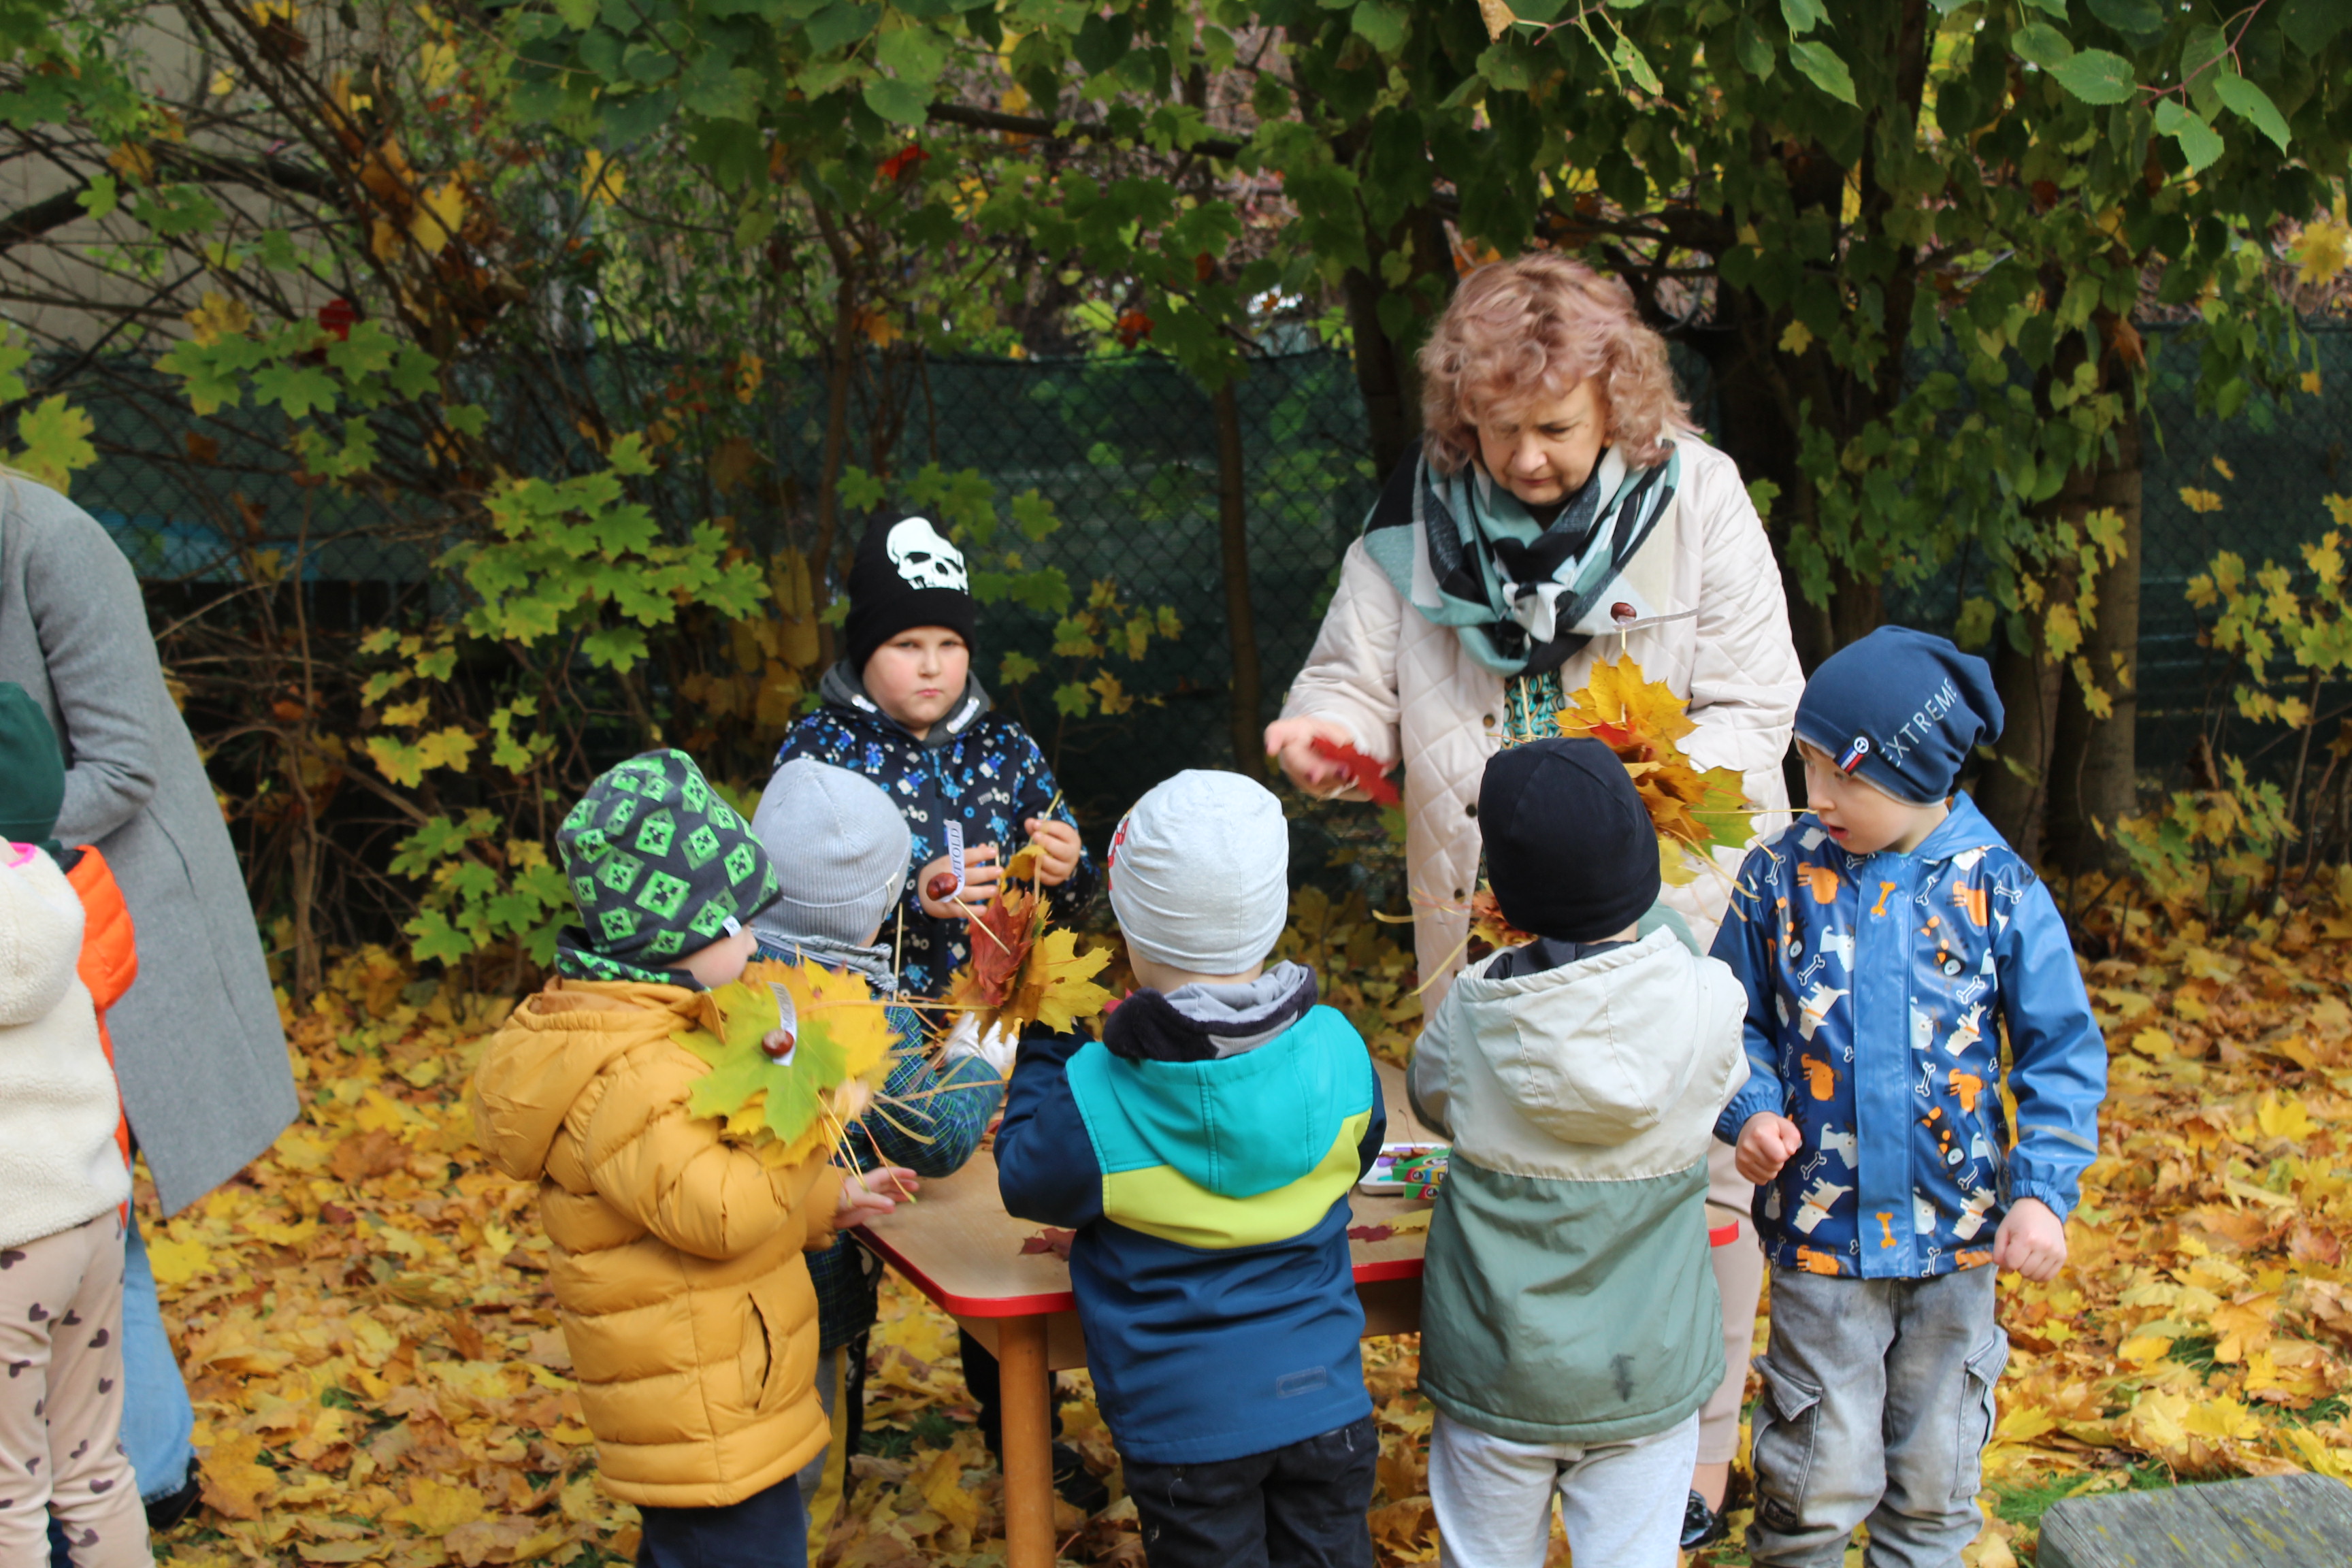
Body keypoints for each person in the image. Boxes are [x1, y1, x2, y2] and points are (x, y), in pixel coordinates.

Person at [1262, 253, 1802, 1545]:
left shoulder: (1700, 498)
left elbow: (1758, 703)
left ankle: (1689, 1466)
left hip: (1672, 915)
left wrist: (1624, 815)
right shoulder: (1417, 515)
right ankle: (1517, 1425)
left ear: (1619, 402)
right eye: (1498, 429)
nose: (1525, 458)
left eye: (1554, 428)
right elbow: (1351, 677)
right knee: (1522, 1192)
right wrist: (1329, 733)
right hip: (1487, 929)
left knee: (1702, 1188)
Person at [1710, 628, 2107, 1567]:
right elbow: (1727, 1017)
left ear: (1920, 770)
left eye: (1843, 776)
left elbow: (2061, 1051)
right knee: (1811, 1482)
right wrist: (1751, 1108)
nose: (1818, 797)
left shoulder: (1998, 889)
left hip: (1958, 1245)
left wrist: (2043, 1193)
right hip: (1823, 1240)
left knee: (1935, 1485)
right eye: (1808, 767)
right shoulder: (1777, 878)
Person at [470, 749, 911, 1568]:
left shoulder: (657, 1033)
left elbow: (708, 1184)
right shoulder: (633, 1075)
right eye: (737, 923)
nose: (753, 939)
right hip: (703, 1409)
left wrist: (824, 1200)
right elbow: (719, 1213)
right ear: (678, 935)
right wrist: (818, 1115)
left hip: (716, 1386)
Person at [774, 513, 1105, 1507]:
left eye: (950, 644)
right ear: (863, 651)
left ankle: (1025, 1435)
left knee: (1002, 1234)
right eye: (907, 644)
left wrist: (1069, 863)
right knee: (838, 1242)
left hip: (995, 1030)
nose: (932, 666)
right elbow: (795, 896)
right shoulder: (819, 749)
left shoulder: (1005, 746)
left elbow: (1063, 889)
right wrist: (912, 895)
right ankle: (823, 1447)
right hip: (864, 1039)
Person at [1, 473, 298, 1527]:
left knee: (85, 1203)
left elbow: (123, 767)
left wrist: (6, 840)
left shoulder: (54, 544)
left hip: (103, 921)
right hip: (23, 917)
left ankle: (148, 1473)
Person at [996, 770, 1386, 1568]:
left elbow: (1025, 1177)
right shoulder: (1341, 1049)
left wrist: (1046, 1041)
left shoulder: (1099, 1092)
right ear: (1273, 909)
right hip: (1327, 1398)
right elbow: (1359, 1154)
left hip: (1185, 1424)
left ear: (1132, 929)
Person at [1407, 738, 1750, 1568]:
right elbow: (1725, 1080)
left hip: (1497, 1372)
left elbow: (1429, 1096)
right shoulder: (1709, 1002)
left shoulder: (1472, 1015)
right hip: (1646, 1372)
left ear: (1505, 895)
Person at [745, 759, 1006, 1544]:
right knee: (801, 1450)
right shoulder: (850, 1005)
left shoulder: (726, 974)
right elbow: (937, 1133)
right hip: (806, 1277)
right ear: (886, 901)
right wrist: (981, 1051)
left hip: (716, 1259)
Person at [0, 689, 153, 1568]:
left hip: (8, 1242)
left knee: (7, 1493)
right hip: (91, 1222)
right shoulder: (65, 901)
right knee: (93, 1466)